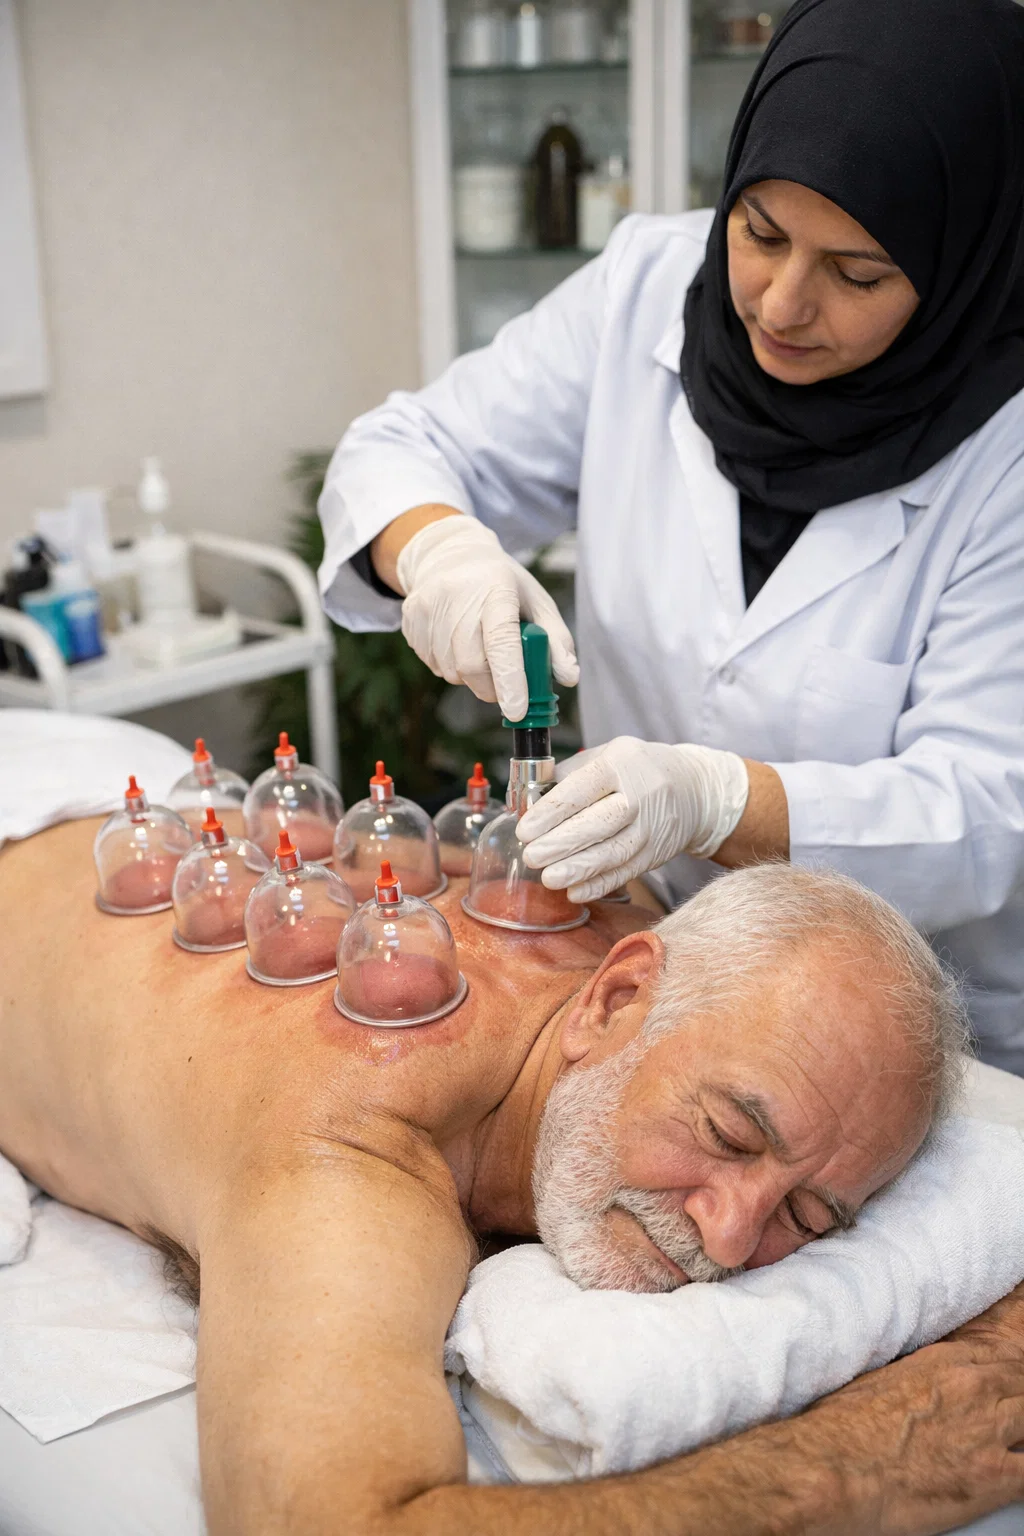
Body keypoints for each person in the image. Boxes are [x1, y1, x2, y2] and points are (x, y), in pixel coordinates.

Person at [317, 0, 1024, 1076]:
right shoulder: (647, 287)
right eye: (760, 233)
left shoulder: (1006, 449)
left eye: (858, 273)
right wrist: (439, 552)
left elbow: (985, 808)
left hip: (915, 1023)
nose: (780, 304)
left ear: (963, 263)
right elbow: (404, 446)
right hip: (648, 957)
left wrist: (718, 801)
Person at [3, 816, 1024, 1534]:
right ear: (611, 1001)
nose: (728, 1234)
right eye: (726, 1134)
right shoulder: (352, 1147)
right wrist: (849, 1472)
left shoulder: (630, 934)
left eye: (807, 1214)